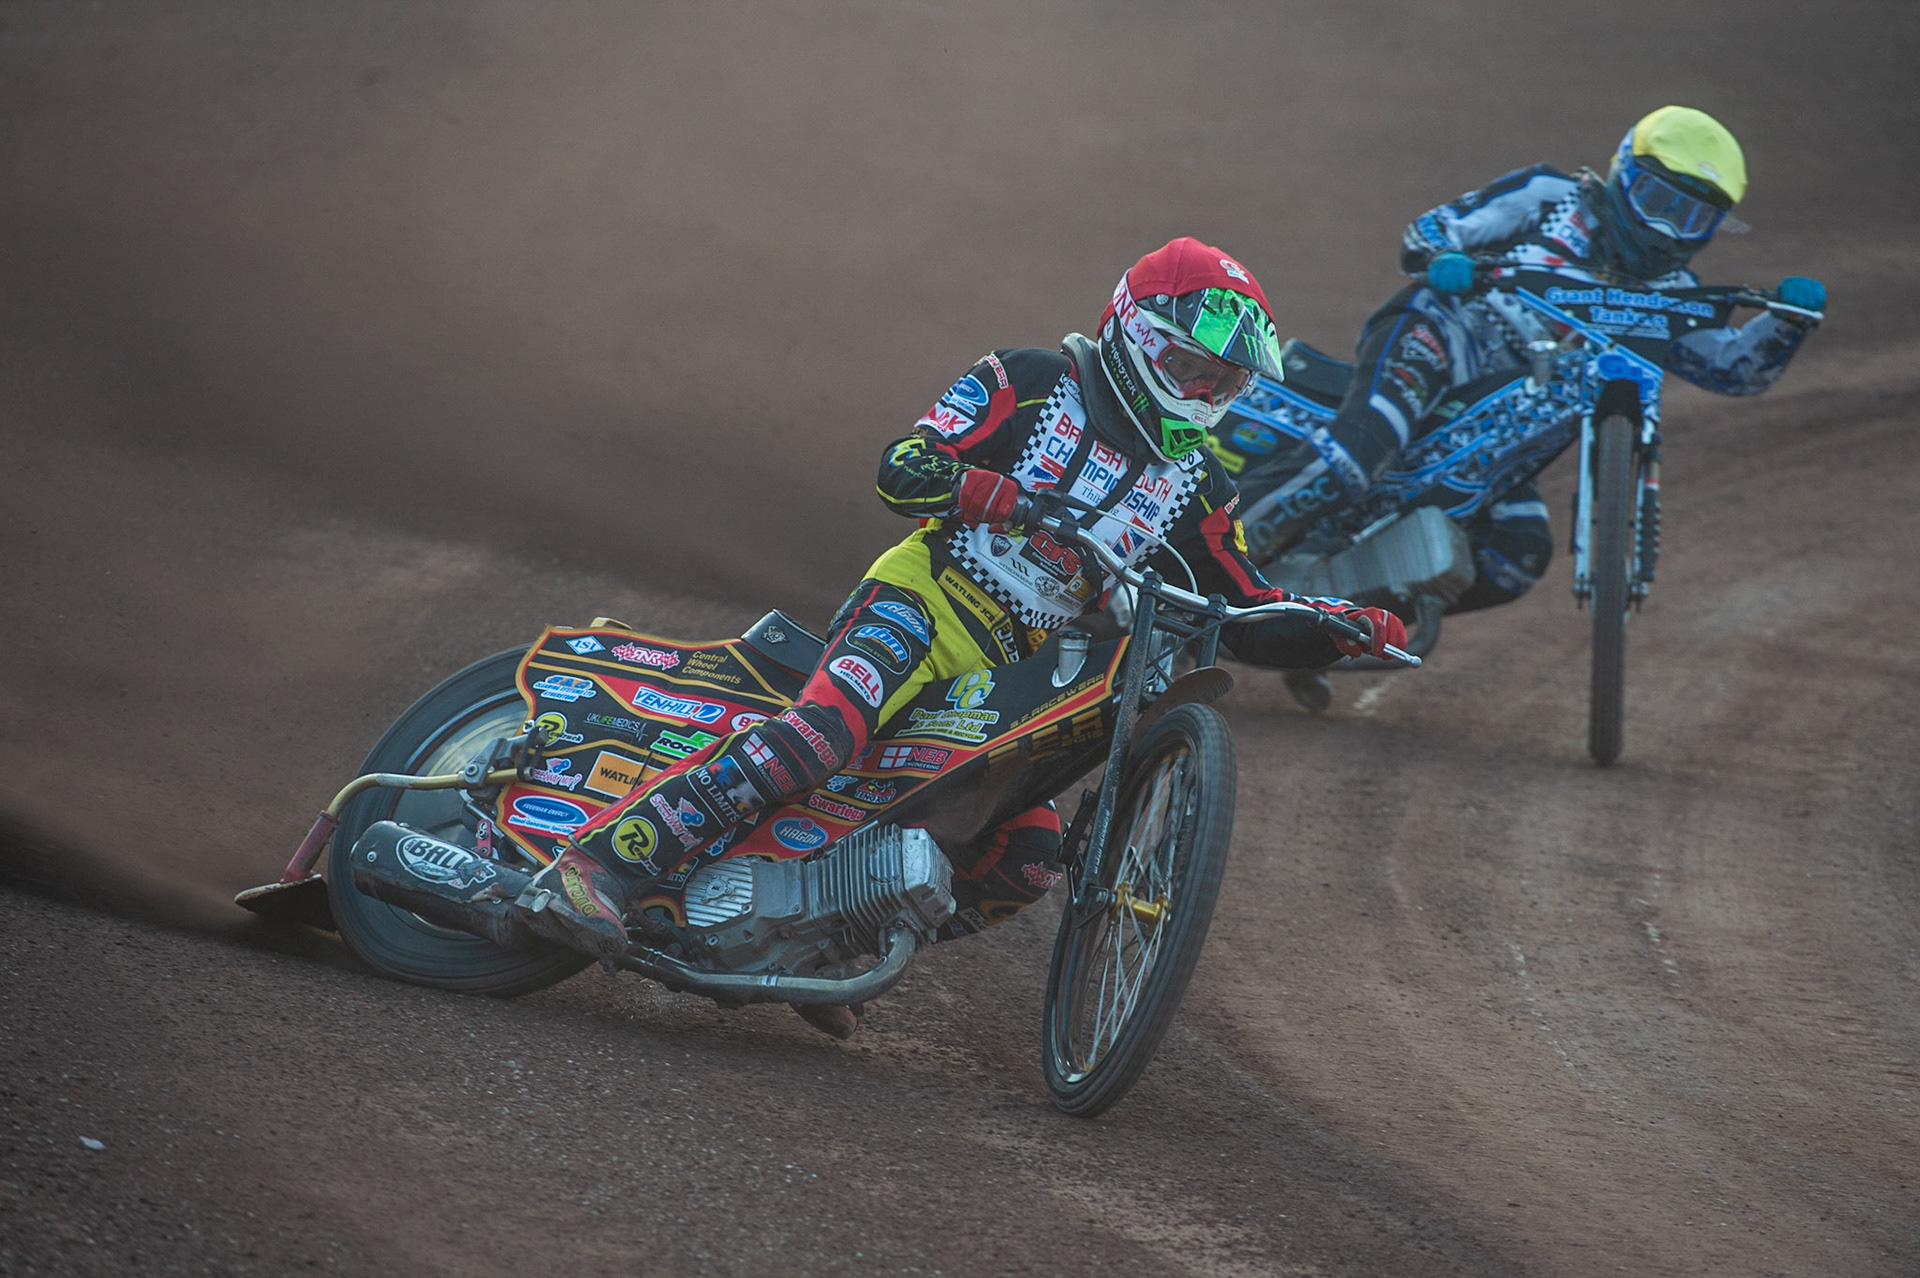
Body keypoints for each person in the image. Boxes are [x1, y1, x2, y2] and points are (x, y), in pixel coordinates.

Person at [504, 238, 1407, 1022]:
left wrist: (1337, 628)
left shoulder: (1200, 488)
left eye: (1225, 380)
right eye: (1194, 368)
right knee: (819, 740)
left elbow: (1242, 605)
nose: (1207, 390)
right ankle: (602, 868)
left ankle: (806, 946)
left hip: (1011, 675)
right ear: (1136, 333)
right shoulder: (1031, 380)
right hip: (925, 601)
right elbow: (903, 469)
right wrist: (1010, 498)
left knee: (1023, 854)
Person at [1233, 105, 1826, 604]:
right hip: (1440, 337)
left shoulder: (1669, 297)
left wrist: (1785, 324)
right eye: (1655, 199)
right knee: (1357, 458)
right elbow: (1429, 231)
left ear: (1716, 226)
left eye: (1693, 216)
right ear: (1623, 174)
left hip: (1504, 430)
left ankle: (1325, 627)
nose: (1666, 229)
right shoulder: (1549, 197)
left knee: (1518, 553)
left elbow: (1733, 370)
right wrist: (1447, 259)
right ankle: (1211, 565)